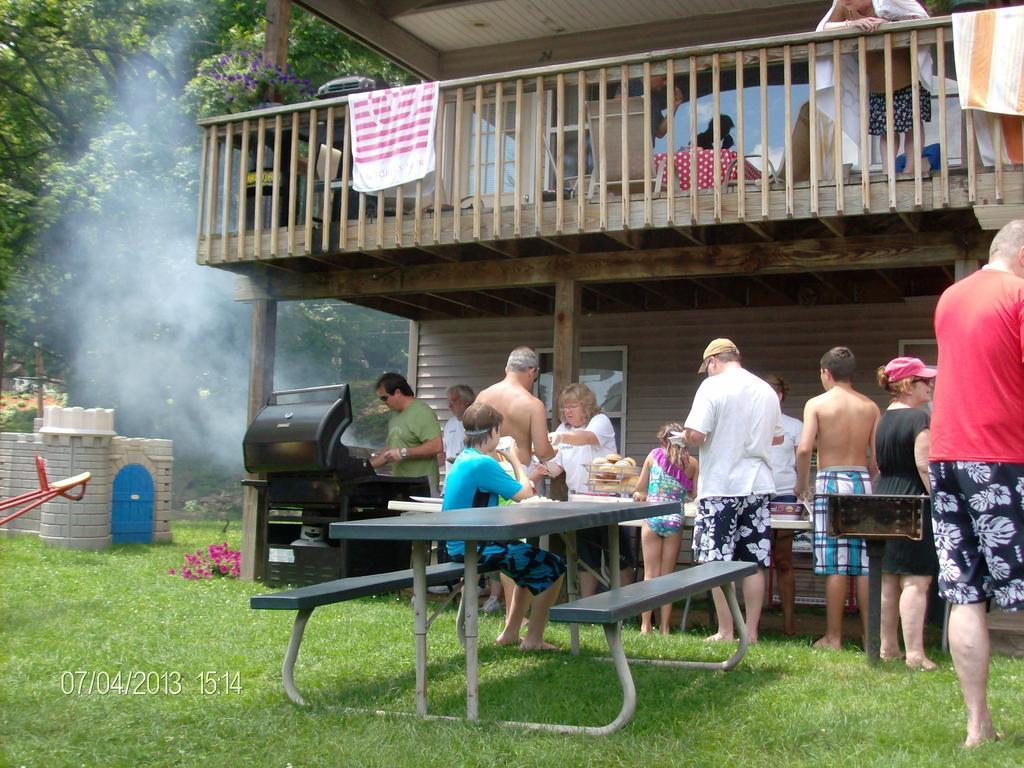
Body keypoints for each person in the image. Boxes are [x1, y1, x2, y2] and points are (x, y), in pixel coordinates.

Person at [929, 218, 1024, 747]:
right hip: (1006, 458)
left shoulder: (950, 298)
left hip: (948, 457)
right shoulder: (1019, 295)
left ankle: (976, 725)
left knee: (965, 592)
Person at [681, 338, 783, 644]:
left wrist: (683, 436)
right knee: (753, 562)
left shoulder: (712, 387)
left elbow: (697, 434)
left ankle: (726, 630)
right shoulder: (765, 390)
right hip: (758, 484)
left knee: (717, 561)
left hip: (722, 484)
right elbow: (776, 439)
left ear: (713, 361)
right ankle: (750, 632)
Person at [442, 403, 566, 651]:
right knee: (554, 567)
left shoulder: (464, 458)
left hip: (462, 541)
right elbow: (525, 492)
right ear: (494, 431)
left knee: (529, 565)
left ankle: (511, 633)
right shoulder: (483, 464)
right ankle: (534, 639)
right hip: (474, 546)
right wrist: (513, 457)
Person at [796, 346, 880, 651]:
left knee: (835, 562)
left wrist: (801, 483)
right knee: (865, 562)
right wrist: (867, 476)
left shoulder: (817, 404)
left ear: (825, 373)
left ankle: (833, 637)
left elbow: (805, 448)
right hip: (861, 480)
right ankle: (871, 636)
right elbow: (877, 458)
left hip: (831, 480)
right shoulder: (869, 406)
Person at [535, 383, 635, 597]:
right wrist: (539, 467)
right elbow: (557, 467)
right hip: (579, 501)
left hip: (609, 500)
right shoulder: (563, 429)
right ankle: (587, 603)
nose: (567, 411)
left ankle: (628, 605)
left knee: (618, 557)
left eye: (573, 406)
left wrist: (560, 438)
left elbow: (588, 438)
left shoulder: (600, 422)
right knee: (586, 557)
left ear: (586, 406)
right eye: (564, 407)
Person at [816, 0, 932, 175]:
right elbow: (824, 28)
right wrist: (851, 24)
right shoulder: (844, 6)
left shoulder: (885, 2)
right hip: (876, 80)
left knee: (912, 124)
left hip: (906, 73)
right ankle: (888, 171)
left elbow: (919, 16)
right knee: (886, 130)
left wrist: (890, 24)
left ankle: (911, 169)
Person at [874, 356, 938, 670]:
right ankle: (915, 654)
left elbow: (879, 462)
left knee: (889, 576)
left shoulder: (883, 419)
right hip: (914, 499)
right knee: (916, 580)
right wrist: (938, 498)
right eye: (925, 380)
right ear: (908, 384)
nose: (930, 385)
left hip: (884, 496)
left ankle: (888, 648)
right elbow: (924, 465)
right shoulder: (918, 419)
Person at [632, 422, 698, 635]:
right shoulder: (692, 463)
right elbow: (694, 494)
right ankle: (665, 627)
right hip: (674, 518)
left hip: (652, 516)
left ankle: (645, 626)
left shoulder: (653, 456)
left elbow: (640, 488)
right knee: (668, 576)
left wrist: (642, 494)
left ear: (663, 440)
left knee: (650, 575)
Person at [764, 374, 804, 636]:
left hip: (785, 496)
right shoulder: (753, 424)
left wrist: (802, 487)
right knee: (753, 561)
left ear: (778, 396)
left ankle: (789, 624)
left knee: (783, 560)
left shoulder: (794, 426)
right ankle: (750, 623)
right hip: (757, 494)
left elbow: (803, 458)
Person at [475, 346, 556, 469]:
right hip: (517, 472)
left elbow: (471, 437)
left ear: (507, 369)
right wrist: (556, 451)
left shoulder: (483, 397)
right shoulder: (533, 404)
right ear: (531, 371)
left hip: (485, 469)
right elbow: (543, 452)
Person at [370, 372, 443, 495]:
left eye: (384, 398)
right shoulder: (394, 414)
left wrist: (403, 453)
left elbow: (436, 446)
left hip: (422, 488)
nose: (383, 402)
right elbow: (392, 448)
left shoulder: (421, 412)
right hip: (401, 485)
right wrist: (367, 467)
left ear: (398, 392)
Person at [442, 384, 475, 465]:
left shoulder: (478, 423)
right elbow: (444, 453)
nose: (449, 406)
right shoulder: (450, 424)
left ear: (466, 401)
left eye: (453, 401)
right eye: (448, 402)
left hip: (470, 475)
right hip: (451, 476)